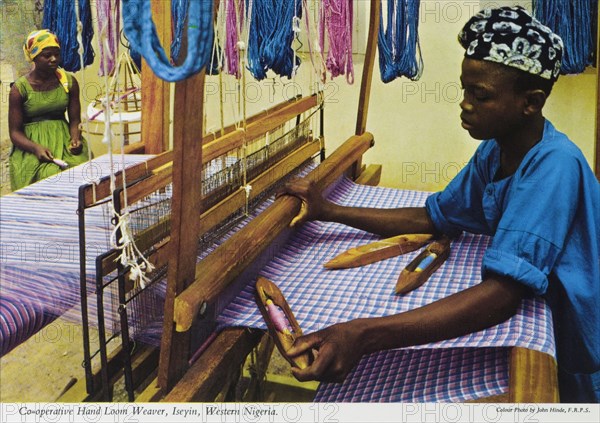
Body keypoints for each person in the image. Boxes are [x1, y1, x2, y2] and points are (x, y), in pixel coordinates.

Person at [284, 6, 599, 403]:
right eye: (465, 89)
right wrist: (328, 210)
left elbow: (502, 295)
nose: (465, 104)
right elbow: (434, 215)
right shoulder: (496, 152)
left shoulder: (554, 165)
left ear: (530, 102)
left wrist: (366, 334)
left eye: (480, 95)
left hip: (573, 333)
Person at [8, 29, 90, 191]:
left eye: (57, 54)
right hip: (31, 145)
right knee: (50, 175)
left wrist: (75, 138)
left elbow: (74, 120)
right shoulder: (19, 89)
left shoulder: (68, 82)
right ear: (34, 57)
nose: (54, 59)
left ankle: (78, 214)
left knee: (80, 171)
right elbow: (15, 133)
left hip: (64, 138)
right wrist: (36, 148)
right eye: (47, 55)